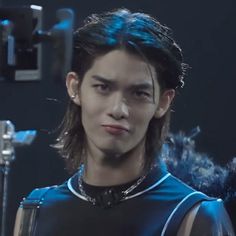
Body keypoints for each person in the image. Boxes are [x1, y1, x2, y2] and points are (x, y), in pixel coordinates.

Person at [14, 8, 234, 236]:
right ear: (74, 87)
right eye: (103, 88)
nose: (118, 109)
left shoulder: (194, 216)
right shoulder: (36, 210)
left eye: (139, 93)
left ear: (163, 101)